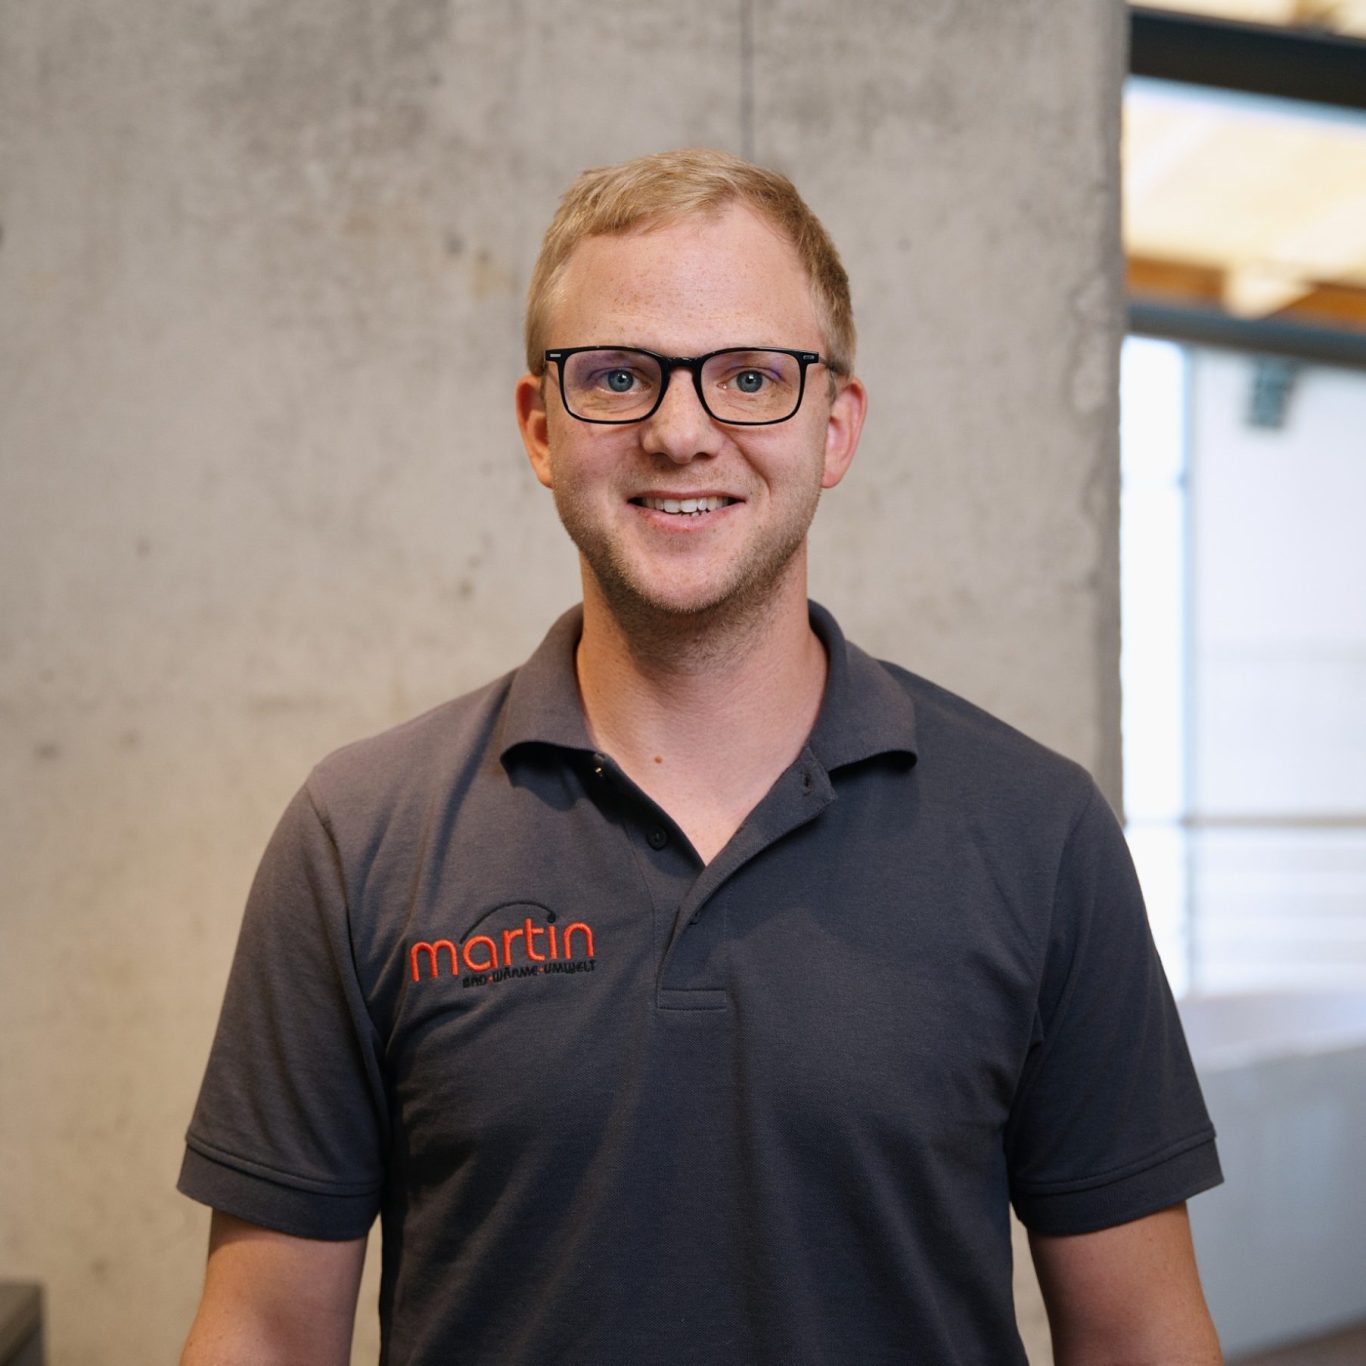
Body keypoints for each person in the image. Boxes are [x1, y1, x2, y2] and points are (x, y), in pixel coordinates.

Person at [178, 148, 1223, 1365]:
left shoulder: (1037, 832)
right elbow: (262, 1333)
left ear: (834, 426)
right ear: (541, 427)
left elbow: (1142, 1336)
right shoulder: (360, 834)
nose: (680, 432)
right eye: (618, 376)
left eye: (750, 377)